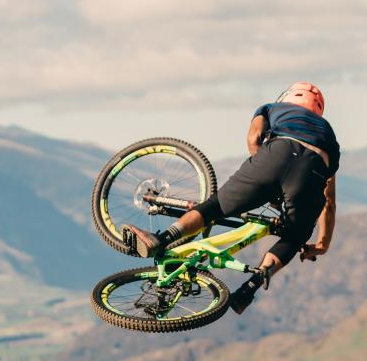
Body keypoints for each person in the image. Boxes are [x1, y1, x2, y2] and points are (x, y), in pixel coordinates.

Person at [125, 82, 338, 315]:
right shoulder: (329, 136)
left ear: (287, 98)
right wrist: (322, 245)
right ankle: (250, 287)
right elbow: (328, 201)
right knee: (295, 235)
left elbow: (254, 137)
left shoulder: (272, 109)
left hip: (276, 155)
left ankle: (163, 238)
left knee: (214, 208)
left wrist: (263, 177)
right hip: (313, 170)